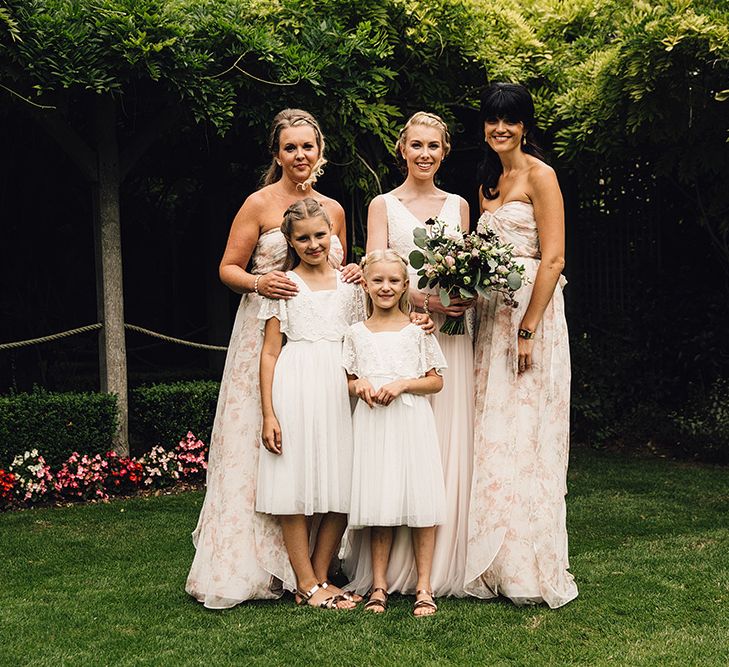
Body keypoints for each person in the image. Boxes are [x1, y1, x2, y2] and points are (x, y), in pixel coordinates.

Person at [185, 109, 360, 608]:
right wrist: (260, 282)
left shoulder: (333, 209)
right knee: (262, 451)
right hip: (266, 336)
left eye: (308, 147)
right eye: (290, 148)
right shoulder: (258, 204)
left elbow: (337, 264)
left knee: (323, 450)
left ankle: (316, 571)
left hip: (322, 340)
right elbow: (227, 268)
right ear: (277, 153)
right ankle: (260, 567)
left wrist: (351, 273)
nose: (300, 156)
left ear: (319, 151)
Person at [344, 112, 474, 597]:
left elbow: (465, 266)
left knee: (440, 439)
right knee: (394, 441)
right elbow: (379, 270)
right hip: (399, 327)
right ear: (402, 149)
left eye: (433, 146)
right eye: (415, 145)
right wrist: (421, 304)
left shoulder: (458, 204)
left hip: (449, 335)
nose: (424, 154)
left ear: (444, 152)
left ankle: (436, 567)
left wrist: (464, 297)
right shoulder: (383, 204)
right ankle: (383, 571)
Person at [465, 82, 578, 608]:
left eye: (510, 120)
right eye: (492, 120)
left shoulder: (541, 176)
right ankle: (485, 559)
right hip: (491, 318)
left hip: (532, 320)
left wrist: (529, 328)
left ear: (525, 126)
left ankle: (525, 564)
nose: (501, 129)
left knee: (526, 434)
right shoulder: (487, 182)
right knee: (491, 431)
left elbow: (552, 260)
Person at [257, 198, 365, 609]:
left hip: (340, 385)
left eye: (320, 235)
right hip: (296, 382)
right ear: (290, 240)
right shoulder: (284, 285)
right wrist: (269, 412)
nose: (313, 243)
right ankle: (305, 580)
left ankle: (320, 577)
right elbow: (269, 352)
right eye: (303, 237)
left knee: (343, 484)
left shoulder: (352, 285)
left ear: (332, 237)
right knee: (294, 484)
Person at [343, 249, 448, 616]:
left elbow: (436, 382)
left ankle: (424, 586)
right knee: (378, 502)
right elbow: (349, 381)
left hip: (411, 422)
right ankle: (379, 585)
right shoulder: (355, 333)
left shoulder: (416, 330)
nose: (385, 287)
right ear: (366, 285)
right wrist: (361, 387)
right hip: (373, 424)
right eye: (377, 280)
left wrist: (403, 384)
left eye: (393, 281)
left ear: (405, 286)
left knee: (421, 501)